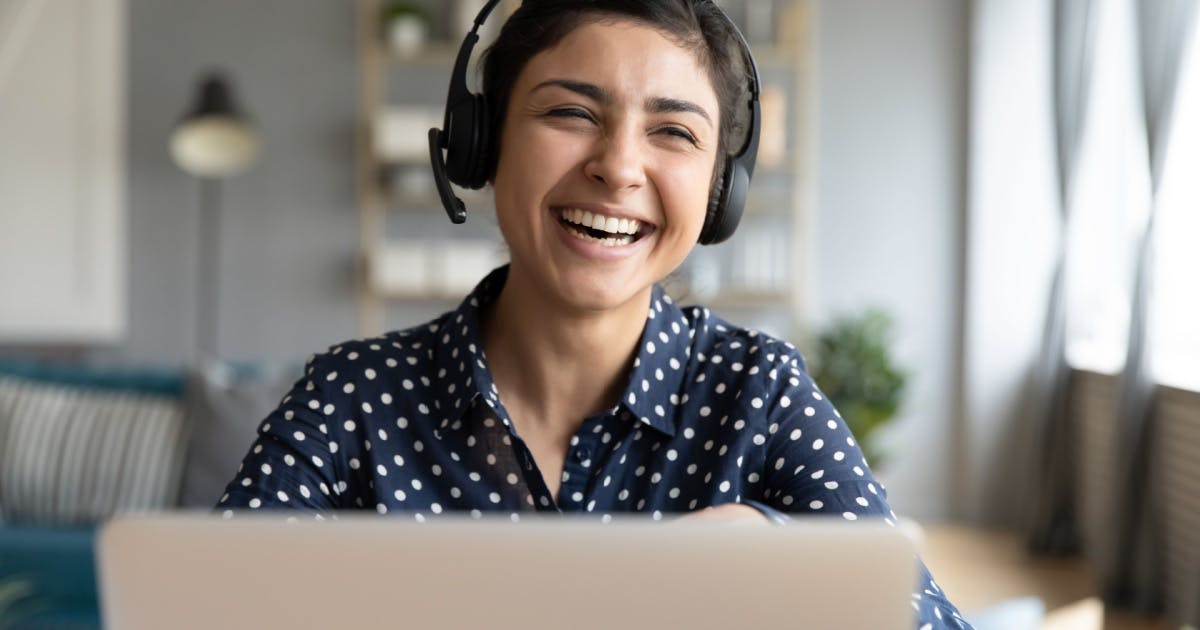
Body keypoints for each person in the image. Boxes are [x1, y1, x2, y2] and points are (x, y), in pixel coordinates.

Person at [218, 1, 971, 627]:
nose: (618, 166)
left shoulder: (759, 393)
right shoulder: (353, 395)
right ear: (483, 146)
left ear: (718, 190)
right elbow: (211, 603)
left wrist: (776, 547)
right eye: (572, 113)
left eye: (673, 132)